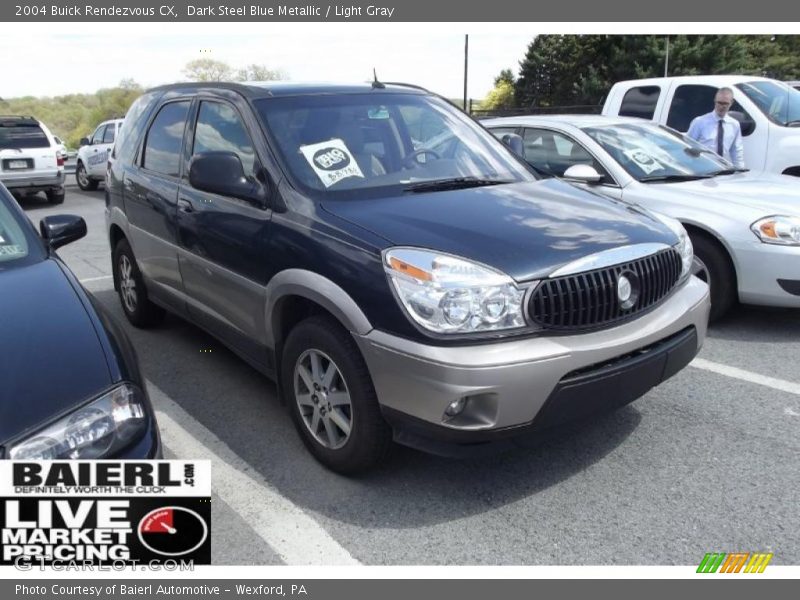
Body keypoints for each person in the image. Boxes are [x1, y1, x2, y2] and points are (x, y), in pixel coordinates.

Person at [686, 87, 745, 169]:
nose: (722, 106)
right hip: (701, 169)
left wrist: (740, 170)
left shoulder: (734, 124)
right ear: (715, 101)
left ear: (731, 103)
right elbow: (687, 146)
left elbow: (736, 151)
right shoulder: (700, 122)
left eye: (725, 103)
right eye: (719, 103)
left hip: (722, 169)